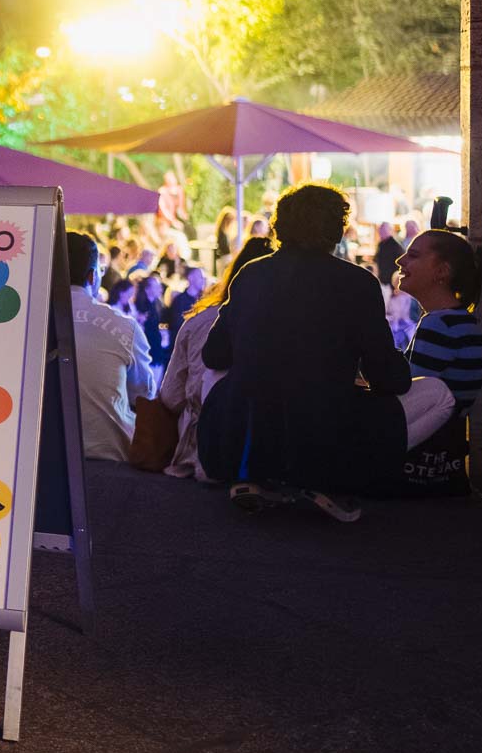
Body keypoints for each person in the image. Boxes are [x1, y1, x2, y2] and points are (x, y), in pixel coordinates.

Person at [201, 184, 412, 522]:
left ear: (279, 225)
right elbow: (387, 376)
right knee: (416, 398)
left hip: (239, 430)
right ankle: (327, 481)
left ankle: (258, 476)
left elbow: (214, 355)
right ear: (337, 230)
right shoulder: (357, 283)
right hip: (323, 432)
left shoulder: (250, 274)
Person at [156, 240, 271, 480]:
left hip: (199, 451)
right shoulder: (287, 327)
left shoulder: (198, 322)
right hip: (265, 459)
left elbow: (171, 396)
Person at [390, 228, 482, 493]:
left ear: (442, 272)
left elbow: (408, 395)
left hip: (422, 452)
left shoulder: (438, 324)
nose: (400, 261)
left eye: (413, 255)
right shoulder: (461, 322)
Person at [65, 233, 159, 462]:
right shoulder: (124, 326)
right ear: (91, 276)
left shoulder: (26, 324)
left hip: (40, 457)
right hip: (111, 454)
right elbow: (144, 394)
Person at [134, 270, 173, 369]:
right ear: (147, 289)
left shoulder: (158, 305)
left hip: (156, 351)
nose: (160, 289)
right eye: (157, 286)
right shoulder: (140, 308)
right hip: (146, 353)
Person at [164, 266, 207, 338]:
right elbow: (177, 326)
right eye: (200, 277)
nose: (203, 280)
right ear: (190, 278)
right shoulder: (180, 301)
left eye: (204, 278)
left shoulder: (204, 300)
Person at [373, 221, 405, 289]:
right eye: (380, 231)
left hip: (392, 280)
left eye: (383, 230)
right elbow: (377, 258)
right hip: (382, 278)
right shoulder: (381, 244)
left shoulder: (395, 245)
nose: (381, 232)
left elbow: (400, 263)